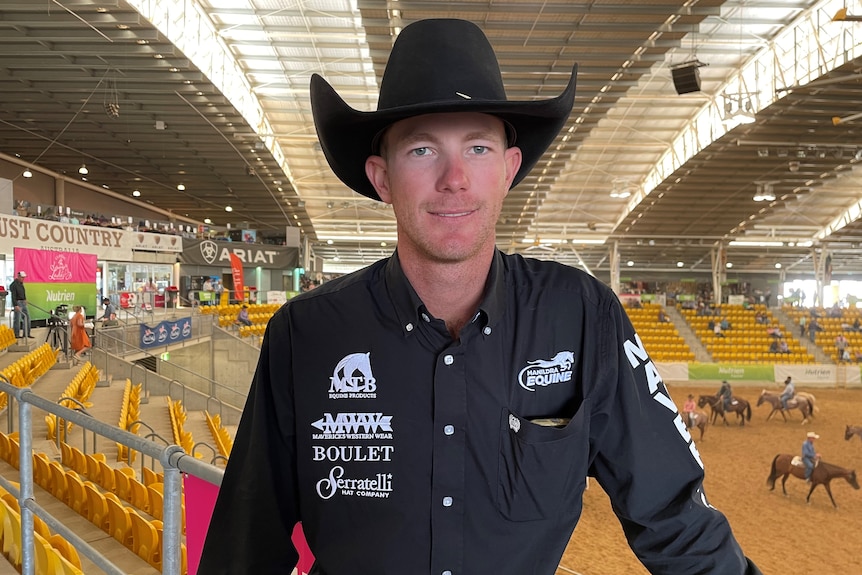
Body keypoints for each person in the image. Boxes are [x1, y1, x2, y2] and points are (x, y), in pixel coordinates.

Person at [199, 19, 760, 575]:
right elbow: (246, 547)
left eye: (478, 148)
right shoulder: (306, 333)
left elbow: (675, 516)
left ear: (509, 170)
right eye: (422, 150)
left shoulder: (585, 316)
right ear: (382, 177)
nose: (454, 178)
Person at [9, 271, 33, 339]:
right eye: (22, 277)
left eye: (24, 277)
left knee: (27, 317)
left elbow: (23, 292)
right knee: (17, 319)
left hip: (23, 302)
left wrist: (25, 299)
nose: (23, 279)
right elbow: (13, 295)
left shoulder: (21, 284)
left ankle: (27, 333)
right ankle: (16, 334)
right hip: (18, 302)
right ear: (18, 276)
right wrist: (15, 305)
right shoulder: (14, 285)